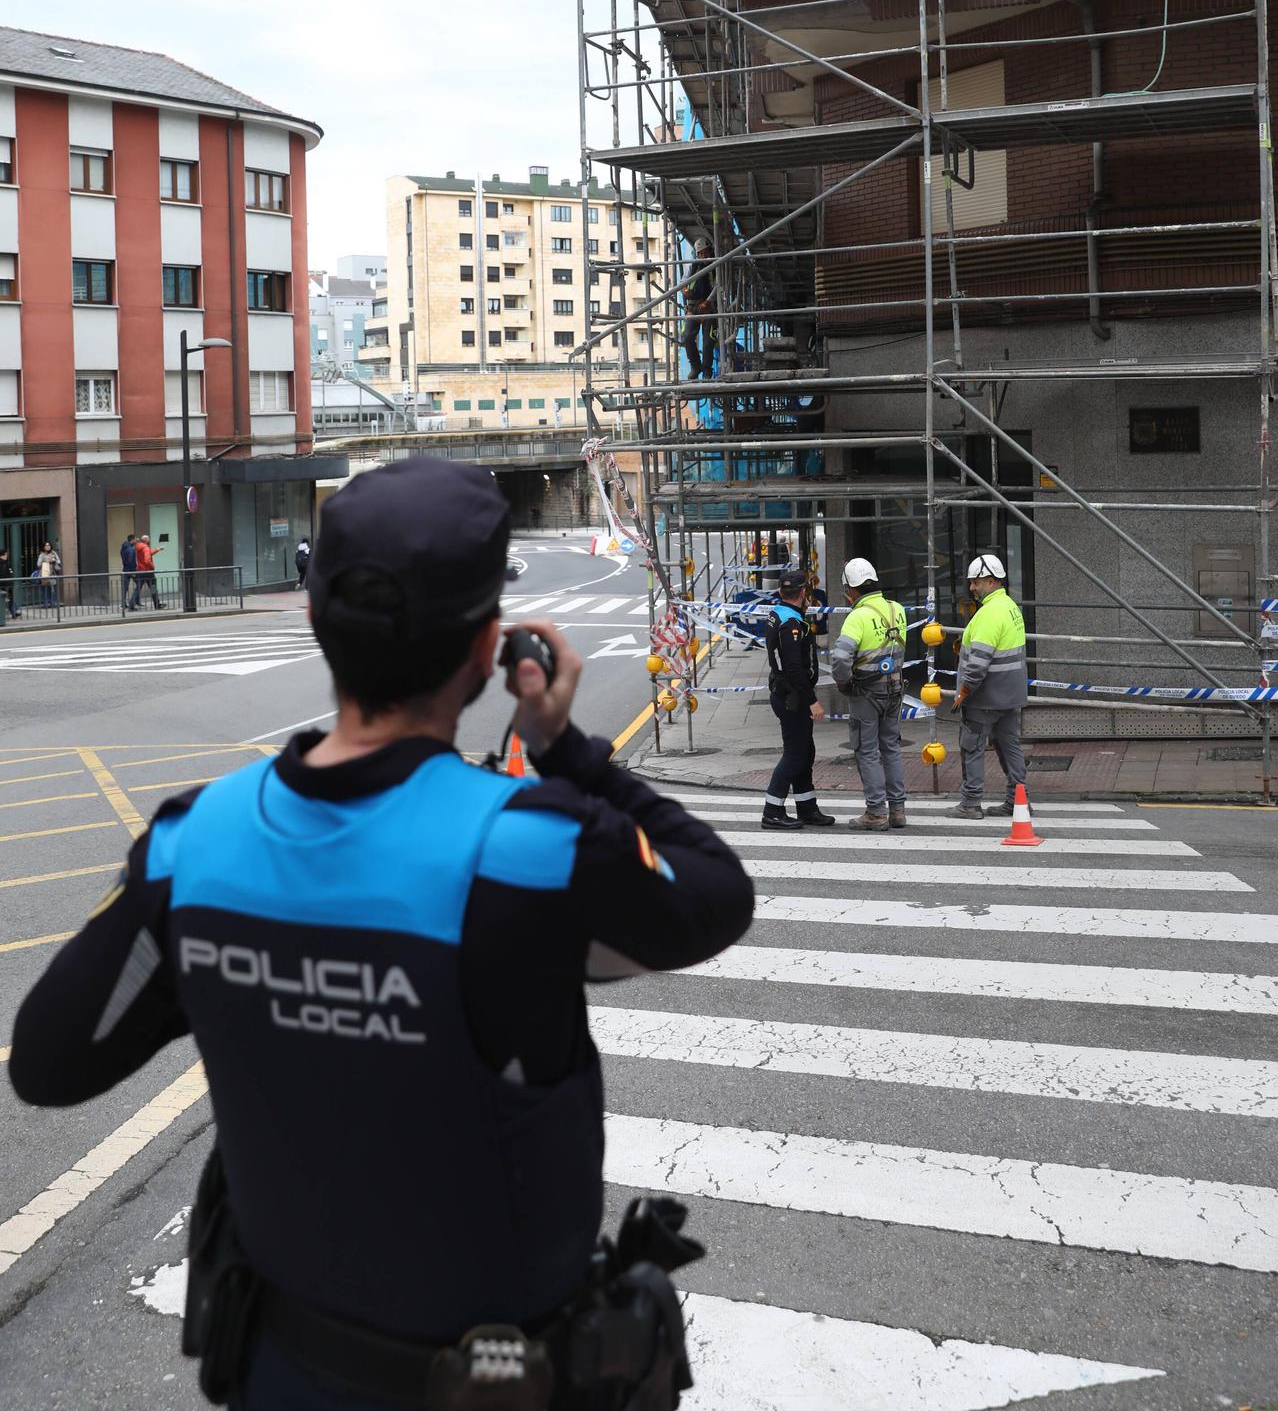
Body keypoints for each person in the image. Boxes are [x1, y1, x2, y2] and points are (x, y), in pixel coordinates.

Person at [9, 458, 754, 1410]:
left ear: (316, 621)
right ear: (489, 649)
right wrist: (567, 749)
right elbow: (713, 896)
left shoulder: (191, 850)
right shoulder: (528, 852)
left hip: (282, 1373)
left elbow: (49, 1062)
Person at [829, 558, 908, 831]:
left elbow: (840, 658)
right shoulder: (897, 609)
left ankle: (876, 812)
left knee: (867, 750)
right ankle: (897, 810)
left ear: (852, 590)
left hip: (866, 692)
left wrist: (843, 683)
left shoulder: (857, 616)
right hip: (895, 689)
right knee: (891, 748)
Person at [949, 551, 1030, 820]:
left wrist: (963, 691)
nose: (972, 588)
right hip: (1009, 695)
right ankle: (1018, 800)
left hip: (984, 697)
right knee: (1010, 746)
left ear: (992, 581)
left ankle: (971, 803)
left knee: (971, 746)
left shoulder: (989, 614)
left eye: (976, 582)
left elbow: (978, 662)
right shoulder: (1010, 607)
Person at [761, 566, 834, 830]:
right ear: (803, 592)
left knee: (805, 751)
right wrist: (812, 699)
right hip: (792, 697)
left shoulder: (779, 614)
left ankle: (806, 807)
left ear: (782, 591)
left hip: (787, 694)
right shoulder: (791, 622)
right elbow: (794, 668)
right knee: (795, 754)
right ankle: (772, 811)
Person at [680, 239, 717, 382]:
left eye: (705, 252)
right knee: (687, 336)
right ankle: (695, 367)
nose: (703, 256)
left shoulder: (715, 265)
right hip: (693, 307)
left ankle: (707, 371)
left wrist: (708, 301)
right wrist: (684, 290)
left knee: (709, 341)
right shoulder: (693, 265)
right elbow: (684, 281)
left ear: (710, 250)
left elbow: (718, 284)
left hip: (710, 307)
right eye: (700, 253)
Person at [132, 534, 164, 611]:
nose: (149, 540)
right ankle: (157, 604)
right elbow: (147, 560)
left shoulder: (139, 546)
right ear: (146, 540)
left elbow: (148, 553)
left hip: (141, 571)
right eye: (148, 539)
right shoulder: (145, 548)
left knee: (138, 589)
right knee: (153, 588)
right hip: (148, 571)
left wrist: (157, 549)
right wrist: (152, 566)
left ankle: (131, 604)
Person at [34, 540, 61, 608]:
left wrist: (54, 560)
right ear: (43, 547)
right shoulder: (42, 555)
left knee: (53, 588)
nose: (47, 547)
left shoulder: (53, 553)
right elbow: (38, 564)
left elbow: (59, 561)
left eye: (48, 545)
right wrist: (46, 561)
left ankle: (53, 603)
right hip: (45, 574)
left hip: (52, 573)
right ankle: (45, 603)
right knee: (45, 589)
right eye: (46, 545)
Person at [0, 545, 19, 622]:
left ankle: (14, 612)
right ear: (3, 555)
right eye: (6, 554)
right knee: (8, 599)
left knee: (9, 599)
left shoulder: (6, 563)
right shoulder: (3, 564)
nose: (7, 556)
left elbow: (10, 573)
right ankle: (15, 611)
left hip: (8, 584)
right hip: (4, 584)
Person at [120, 532, 138, 609]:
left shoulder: (123, 548)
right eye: (135, 539)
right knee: (139, 584)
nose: (136, 541)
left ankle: (123, 604)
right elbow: (131, 561)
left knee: (125, 588)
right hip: (130, 570)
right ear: (132, 540)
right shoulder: (131, 549)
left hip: (125, 569)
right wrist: (133, 571)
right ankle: (134, 602)